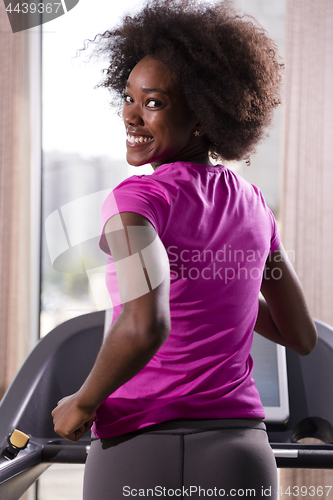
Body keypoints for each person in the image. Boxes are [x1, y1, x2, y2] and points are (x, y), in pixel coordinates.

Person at [51, 1, 318, 498]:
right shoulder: (254, 202)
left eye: (153, 103)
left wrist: (83, 403)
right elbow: (299, 335)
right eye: (128, 98)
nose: (131, 115)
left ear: (201, 115)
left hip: (139, 445)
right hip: (241, 452)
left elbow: (143, 324)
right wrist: (218, 287)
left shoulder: (137, 201)